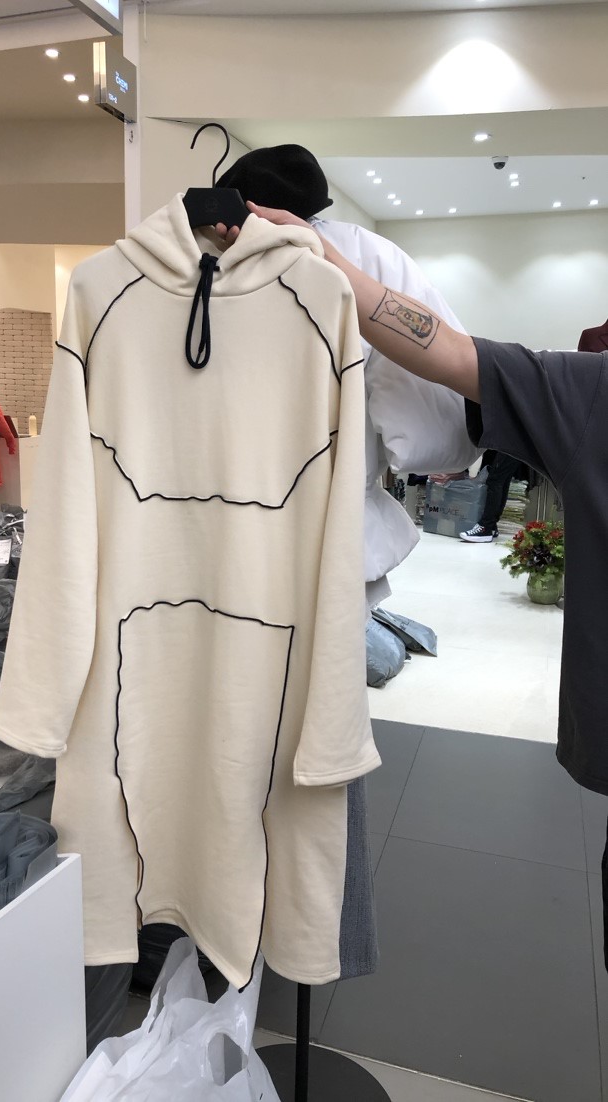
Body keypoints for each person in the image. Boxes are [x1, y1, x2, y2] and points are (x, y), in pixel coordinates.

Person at [220, 198, 608, 956]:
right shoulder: (594, 392)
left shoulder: (593, 393)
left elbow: (448, 369)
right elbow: (449, 372)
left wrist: (332, 262)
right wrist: (328, 259)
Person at [216, 144, 479, 610]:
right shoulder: (366, 256)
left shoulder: (171, 262)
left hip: (198, 524)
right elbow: (436, 412)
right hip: (325, 522)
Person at [460, 449, 524, 542]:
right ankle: (491, 526)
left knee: (495, 480)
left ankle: (485, 527)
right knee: (502, 479)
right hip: (514, 444)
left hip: (512, 443)